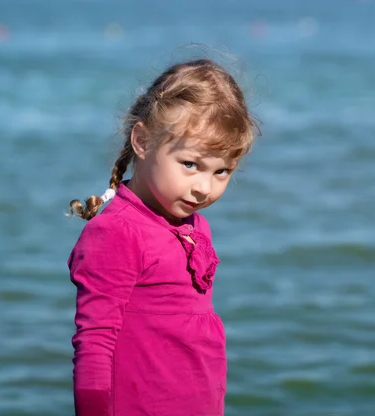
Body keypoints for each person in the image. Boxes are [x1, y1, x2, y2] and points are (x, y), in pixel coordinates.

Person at [67, 57, 259, 416]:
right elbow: (94, 345)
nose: (204, 188)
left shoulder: (192, 224)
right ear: (142, 141)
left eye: (222, 171)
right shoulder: (116, 232)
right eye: (190, 164)